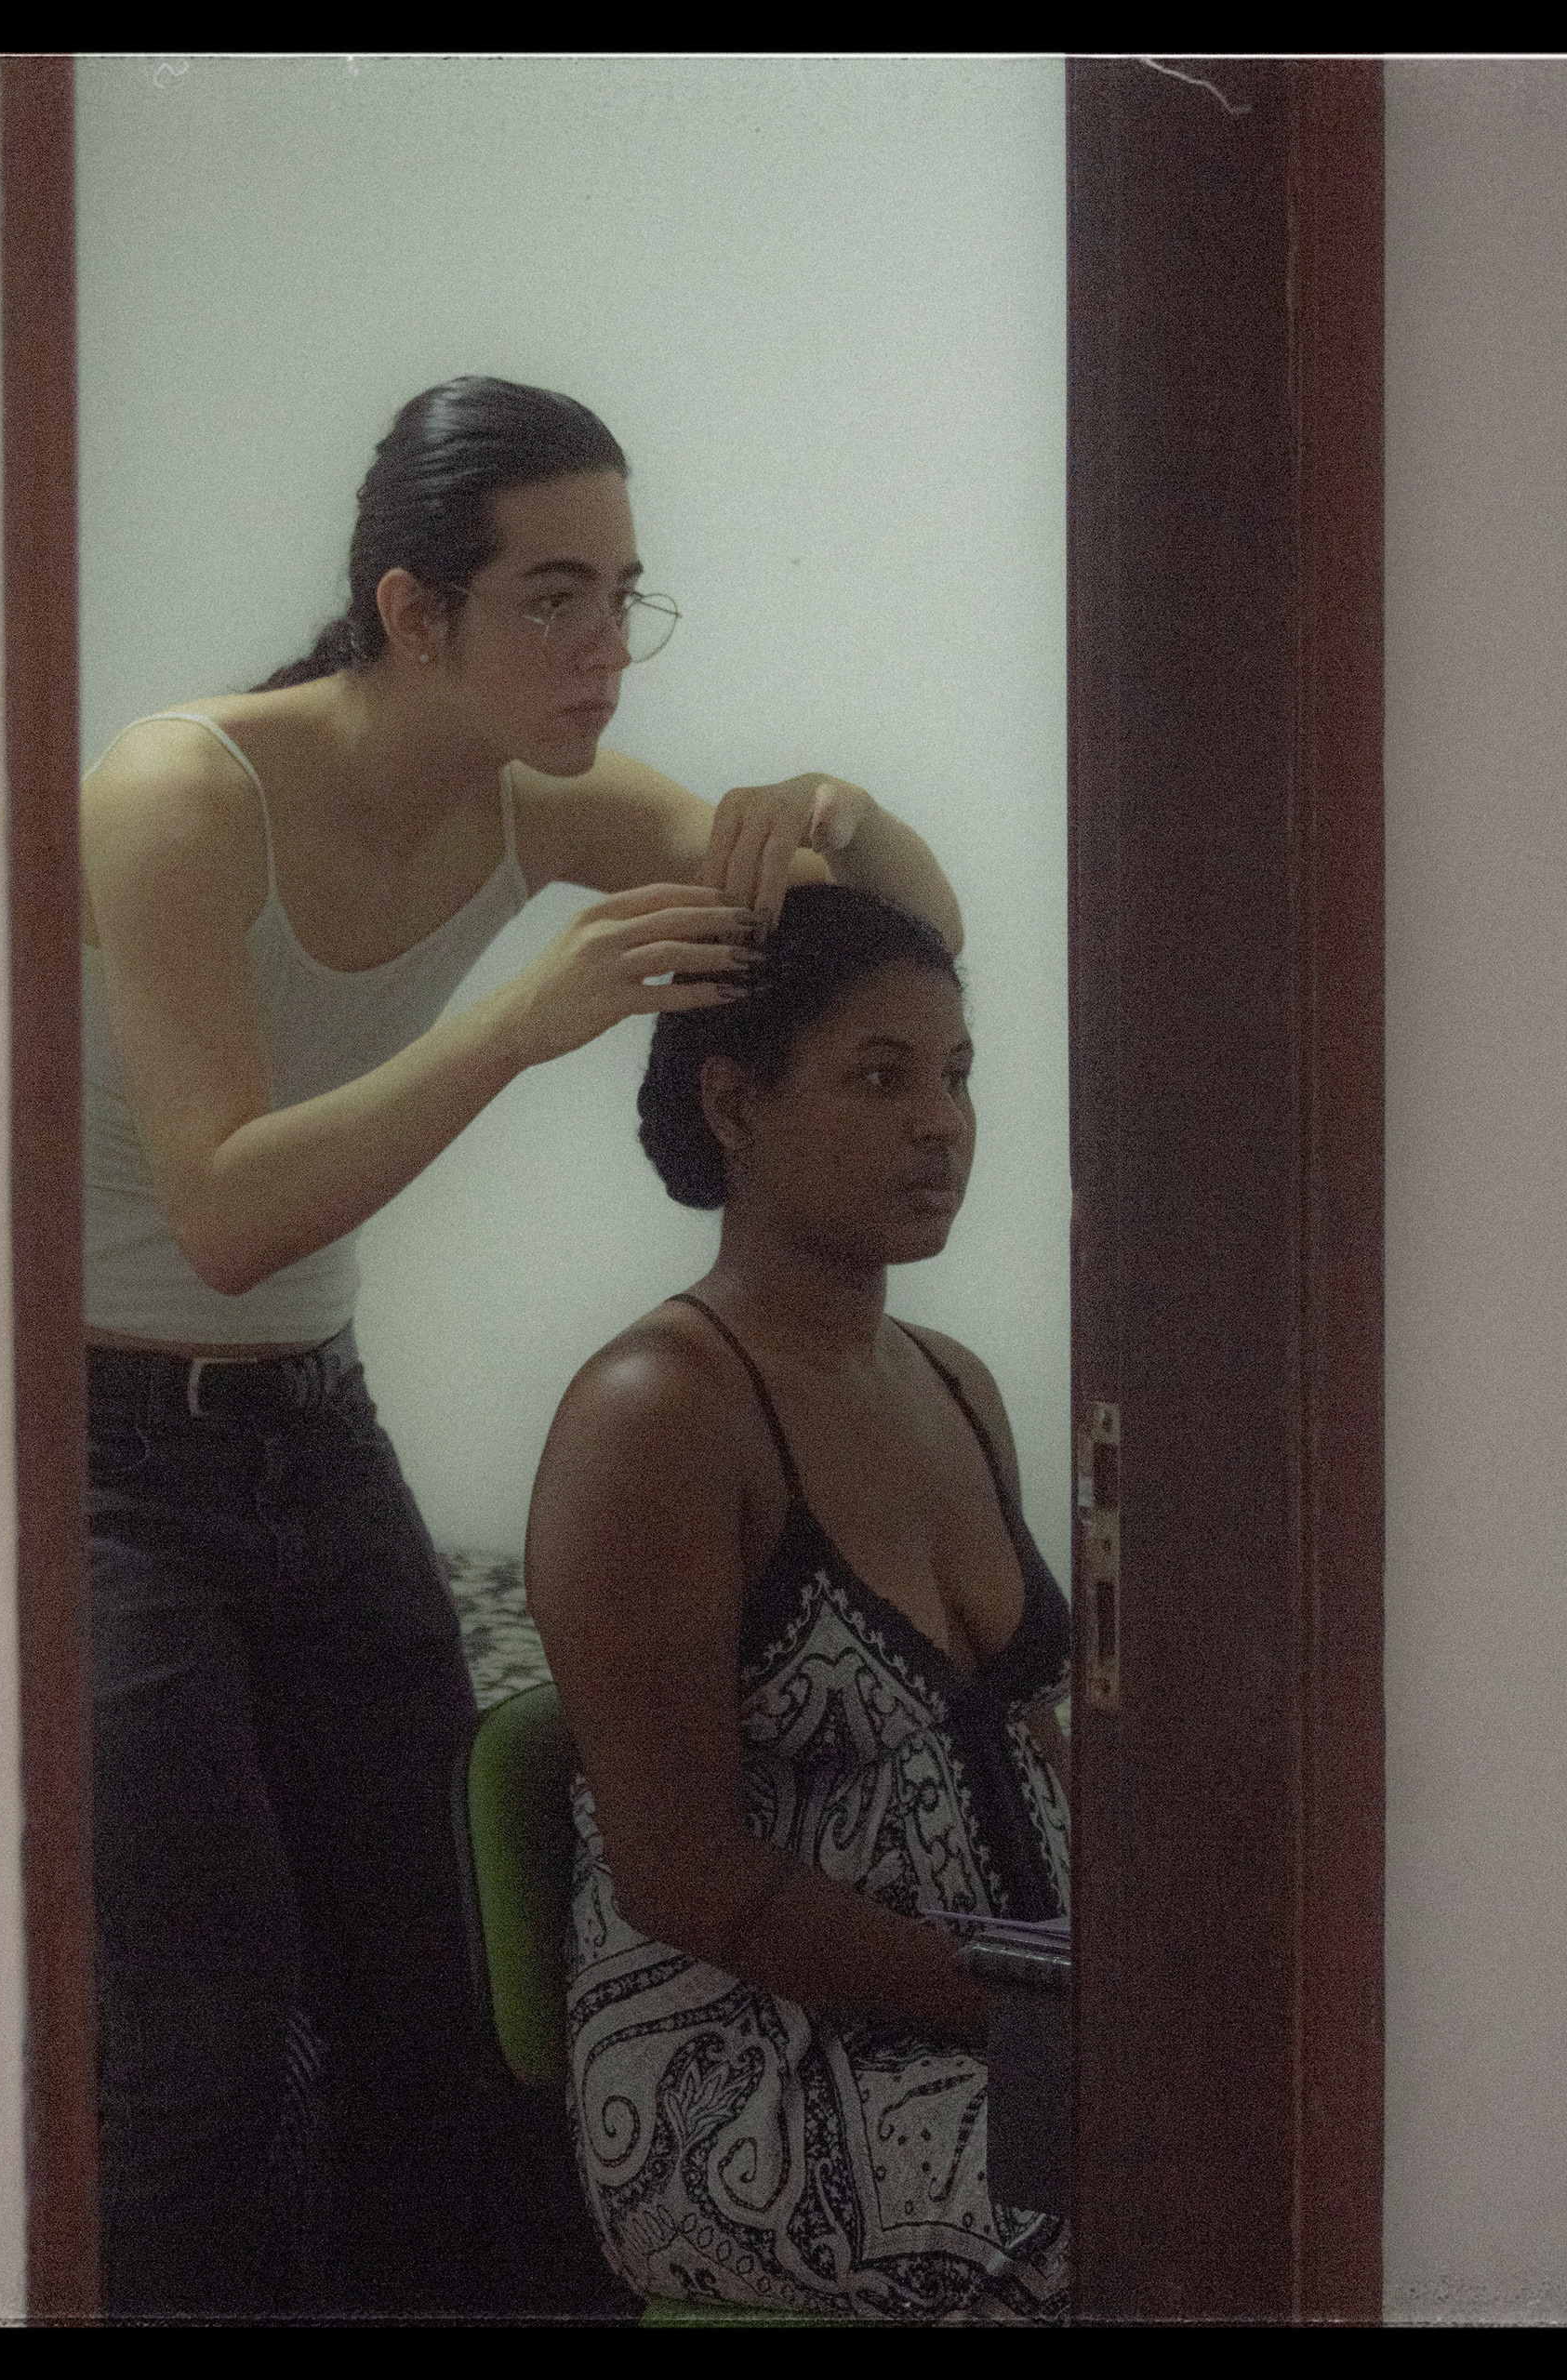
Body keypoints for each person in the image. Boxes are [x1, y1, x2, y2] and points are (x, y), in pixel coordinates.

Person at [77, 377, 966, 2319]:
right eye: (555, 596)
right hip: (101, 1456)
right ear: (415, 611)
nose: (605, 649)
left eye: (625, 594)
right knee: (203, 2062)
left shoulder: (539, 800)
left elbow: (899, 932)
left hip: (312, 1426)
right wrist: (519, 1022)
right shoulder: (177, 793)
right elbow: (223, 1214)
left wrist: (834, 807)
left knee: (443, 1999)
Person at [522, 883, 1069, 2322]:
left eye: (957, 1076)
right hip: (752, 2082)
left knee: (1313, 2116)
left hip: (1011, 2022)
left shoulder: (955, 1383)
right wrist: (1048, 2009)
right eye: (881, 1079)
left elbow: (1023, 1732)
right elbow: (684, 1874)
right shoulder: (660, 1414)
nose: (942, 1124)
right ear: (734, 1104)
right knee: (1192, 2202)